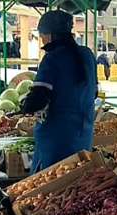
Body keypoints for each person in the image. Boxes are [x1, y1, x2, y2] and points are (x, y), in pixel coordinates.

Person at [18, 10, 96, 173]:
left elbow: (38, 99)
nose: (42, 40)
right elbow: (93, 92)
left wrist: (24, 106)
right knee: (78, 179)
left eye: (42, 36)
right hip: (83, 133)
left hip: (56, 138)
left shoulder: (52, 59)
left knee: (51, 185)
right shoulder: (87, 55)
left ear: (51, 35)